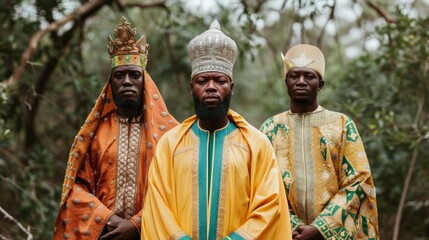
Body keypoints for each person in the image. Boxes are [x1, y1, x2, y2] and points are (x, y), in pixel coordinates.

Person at [141, 20, 292, 239]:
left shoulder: (257, 144)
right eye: (202, 80)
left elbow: (270, 205)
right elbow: (157, 206)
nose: (211, 86)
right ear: (191, 89)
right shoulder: (169, 144)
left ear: (231, 88)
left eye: (219, 80)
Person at [52, 16, 178, 240]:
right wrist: (108, 219)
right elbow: (77, 188)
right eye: (119, 75)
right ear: (110, 84)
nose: (127, 81)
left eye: (134, 75)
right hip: (104, 235)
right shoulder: (95, 134)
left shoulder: (170, 134)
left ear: (145, 82)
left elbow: (180, 188)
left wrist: (137, 224)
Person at [260, 44, 379, 239]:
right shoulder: (270, 129)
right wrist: (292, 226)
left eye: (309, 76)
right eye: (294, 76)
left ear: (320, 84)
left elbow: (359, 179)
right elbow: (262, 184)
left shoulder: (341, 124)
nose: (301, 81)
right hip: (284, 232)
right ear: (286, 81)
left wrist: (321, 228)